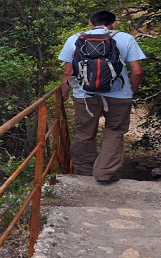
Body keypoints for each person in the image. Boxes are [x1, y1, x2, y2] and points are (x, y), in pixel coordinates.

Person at [59, 10, 145, 185]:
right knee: (114, 131)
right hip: (119, 95)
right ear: (113, 24)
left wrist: (65, 92)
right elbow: (137, 71)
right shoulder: (126, 38)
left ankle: (84, 171)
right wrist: (132, 89)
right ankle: (104, 173)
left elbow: (68, 72)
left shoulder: (74, 39)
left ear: (90, 23)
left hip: (85, 96)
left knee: (84, 133)